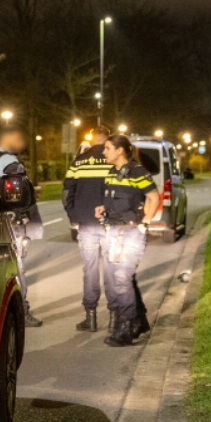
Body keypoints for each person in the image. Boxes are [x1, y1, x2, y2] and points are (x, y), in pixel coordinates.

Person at [97, 135, 160, 347]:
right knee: (124, 279)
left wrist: (146, 222)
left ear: (120, 151)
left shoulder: (137, 172)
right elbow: (115, 200)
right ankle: (139, 322)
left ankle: (126, 328)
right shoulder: (111, 173)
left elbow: (154, 197)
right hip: (113, 232)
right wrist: (104, 208)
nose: (103, 152)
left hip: (131, 233)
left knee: (122, 278)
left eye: (107, 148)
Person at [0, 126, 43, 328]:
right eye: (19, 138)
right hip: (12, 223)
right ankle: (23, 311)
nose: (23, 143)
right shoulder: (9, 162)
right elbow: (15, 193)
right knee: (17, 268)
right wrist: (22, 216)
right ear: (9, 138)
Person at [63, 129, 114, 333]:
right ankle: (114, 318)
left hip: (86, 223)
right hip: (111, 223)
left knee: (90, 270)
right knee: (113, 269)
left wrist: (74, 217)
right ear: (108, 139)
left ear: (92, 140)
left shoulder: (80, 161)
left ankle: (90, 317)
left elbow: (68, 192)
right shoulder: (113, 158)